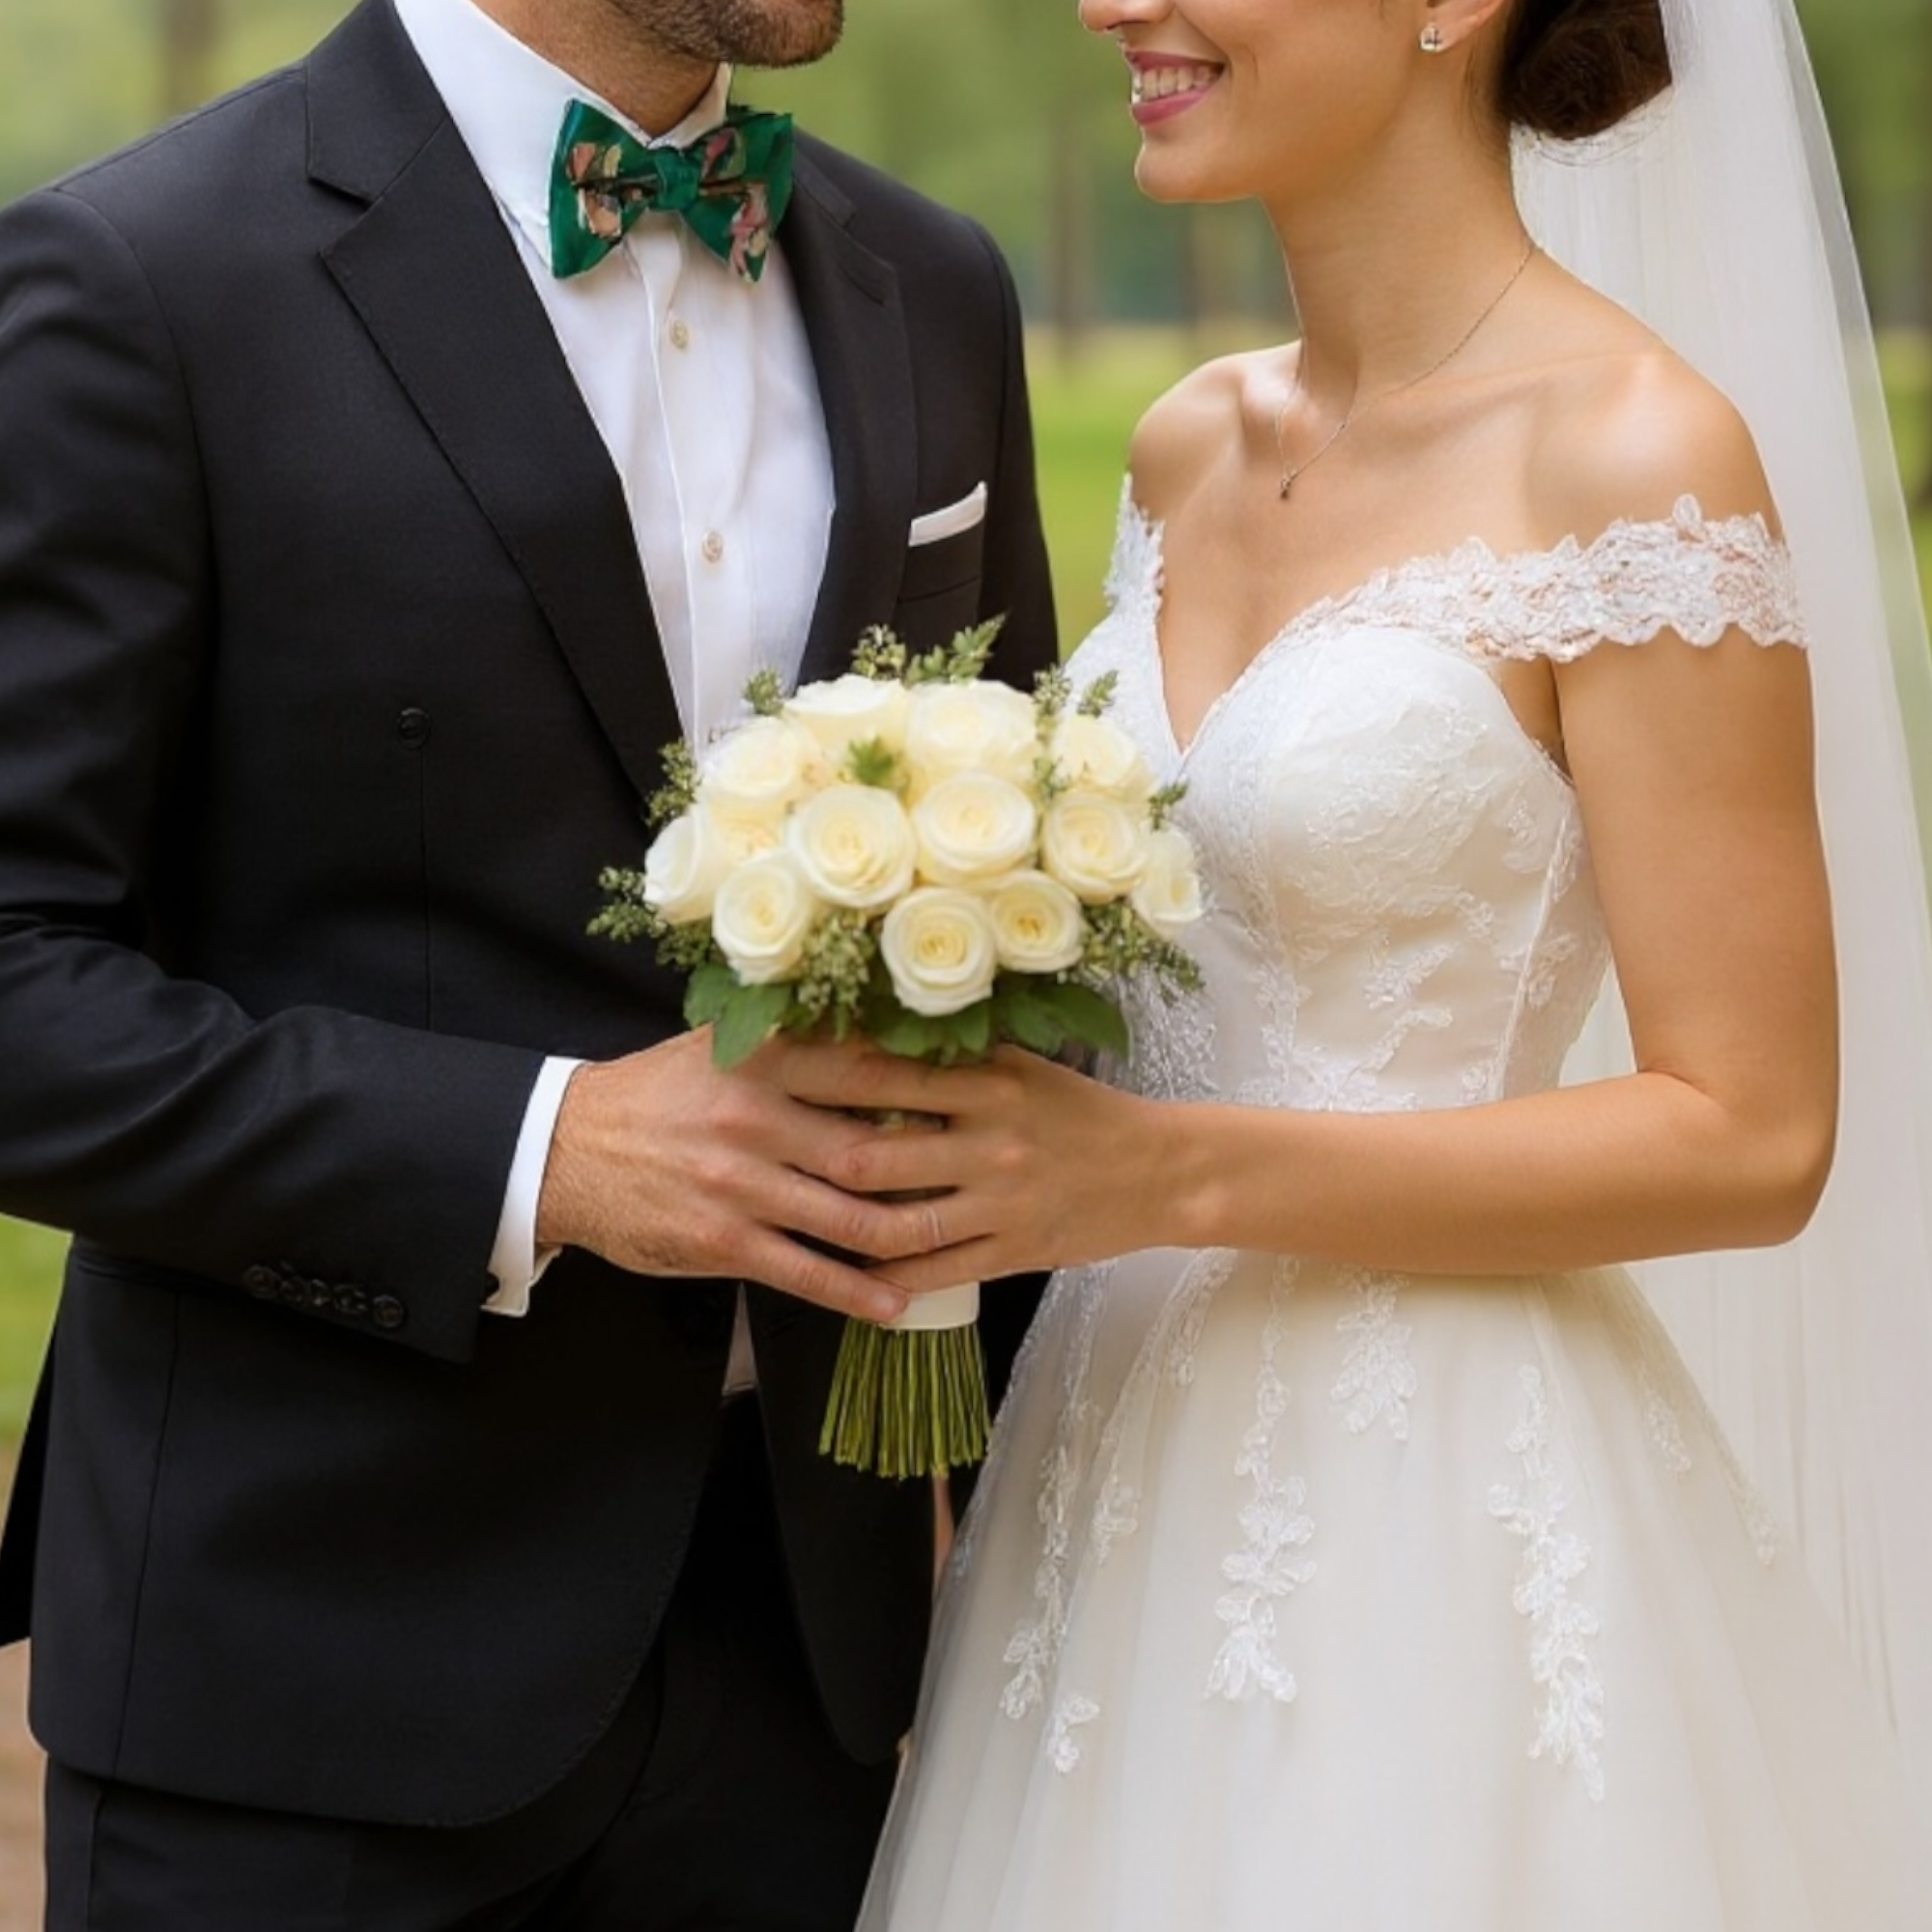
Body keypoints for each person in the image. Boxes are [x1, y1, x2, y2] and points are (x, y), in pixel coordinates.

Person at [829, 0, 1932, 1924]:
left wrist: (1159, 1174)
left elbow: (1753, 1135)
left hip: (1431, 1504)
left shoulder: (1632, 454)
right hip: (1109, 1480)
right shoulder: (1185, 447)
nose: (1116, 6)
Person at [0, 0, 1054, 1923]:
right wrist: (541, 1152)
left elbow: (1016, 970)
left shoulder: (936, 286)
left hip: (799, 1671)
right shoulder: (135, 277)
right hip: (305, 1673)